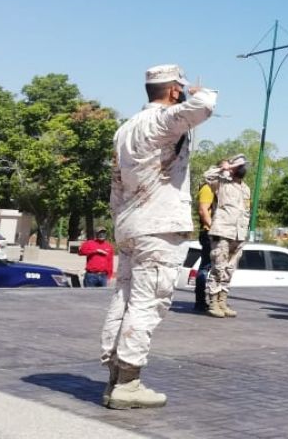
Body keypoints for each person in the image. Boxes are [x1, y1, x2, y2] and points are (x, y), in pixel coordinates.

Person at [99, 64, 215, 410]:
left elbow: (116, 185)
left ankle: (113, 374)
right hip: (158, 226)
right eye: (180, 89)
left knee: (124, 298)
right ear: (174, 91)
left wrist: (121, 220)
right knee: (149, 301)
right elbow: (204, 105)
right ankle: (128, 382)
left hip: (131, 224)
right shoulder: (162, 121)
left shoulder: (125, 129)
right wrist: (197, 93)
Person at [203, 154, 252, 319]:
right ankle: (213, 302)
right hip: (223, 231)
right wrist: (224, 168)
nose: (243, 169)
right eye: (239, 166)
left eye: (243, 166)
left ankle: (223, 300)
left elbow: (246, 211)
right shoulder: (222, 182)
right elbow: (207, 176)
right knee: (218, 267)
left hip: (239, 233)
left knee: (230, 269)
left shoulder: (246, 188)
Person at [193, 175, 217, 313]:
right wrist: (214, 228)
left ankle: (215, 302)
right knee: (205, 267)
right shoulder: (208, 188)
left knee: (216, 268)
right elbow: (203, 210)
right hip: (210, 233)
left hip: (219, 233)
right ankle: (200, 301)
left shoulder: (221, 189)